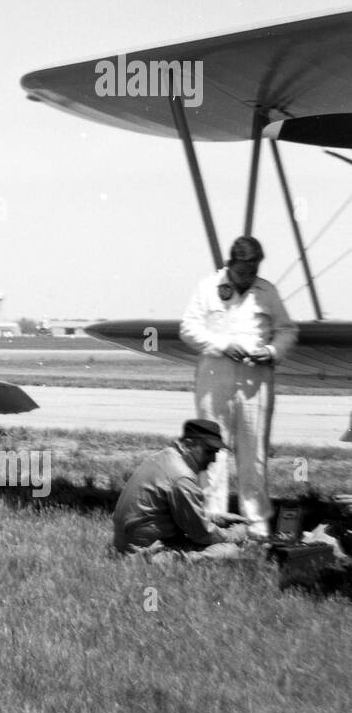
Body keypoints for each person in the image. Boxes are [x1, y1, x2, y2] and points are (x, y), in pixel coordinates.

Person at [179, 235, 296, 537]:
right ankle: (213, 519)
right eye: (244, 270)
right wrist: (220, 345)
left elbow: (286, 330)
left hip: (256, 383)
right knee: (211, 450)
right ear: (231, 263)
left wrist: (271, 352)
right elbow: (188, 329)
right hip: (215, 381)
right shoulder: (208, 288)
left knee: (253, 451)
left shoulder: (267, 292)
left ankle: (256, 524)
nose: (249, 277)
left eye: (254, 270)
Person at [112, 419, 248, 558]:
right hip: (145, 552)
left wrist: (216, 518)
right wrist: (236, 534)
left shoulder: (167, 456)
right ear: (189, 444)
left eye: (216, 452)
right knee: (230, 551)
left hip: (128, 544)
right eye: (209, 451)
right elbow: (202, 534)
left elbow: (179, 513)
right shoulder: (181, 477)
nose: (213, 459)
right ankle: (168, 559)